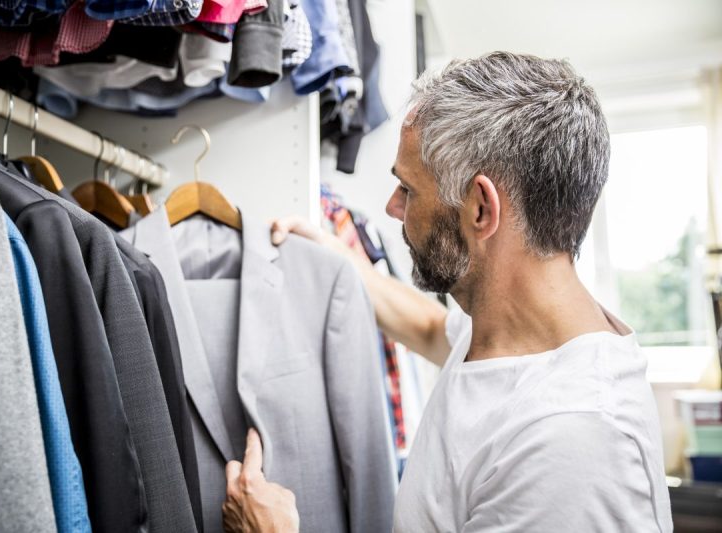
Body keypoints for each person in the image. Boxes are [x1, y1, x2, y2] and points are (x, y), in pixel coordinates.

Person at [223, 52, 673, 532]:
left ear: (481, 208)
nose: (392, 208)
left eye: (409, 190)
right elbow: (434, 328)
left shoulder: (573, 443)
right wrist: (344, 263)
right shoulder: (511, 327)